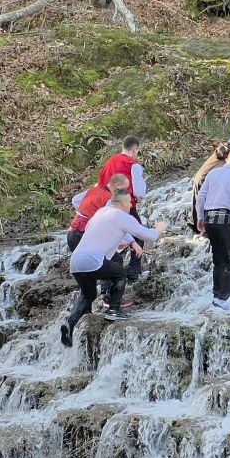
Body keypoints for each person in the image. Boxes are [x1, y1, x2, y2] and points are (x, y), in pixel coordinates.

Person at [60, 190, 166, 346]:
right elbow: (149, 236)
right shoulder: (121, 216)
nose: (131, 205)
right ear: (123, 203)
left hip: (76, 261)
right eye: (129, 202)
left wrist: (123, 241)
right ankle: (114, 310)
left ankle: (70, 323)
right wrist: (159, 228)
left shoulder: (101, 212)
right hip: (92, 260)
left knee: (88, 295)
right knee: (120, 273)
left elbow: (96, 230)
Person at [196, 149, 230, 311]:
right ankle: (222, 299)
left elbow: (201, 196)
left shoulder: (213, 173)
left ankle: (216, 295)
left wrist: (200, 218)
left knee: (219, 260)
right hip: (225, 221)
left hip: (210, 220)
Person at [96, 136, 148, 281]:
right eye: (137, 151)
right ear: (134, 149)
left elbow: (100, 183)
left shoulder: (109, 161)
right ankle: (133, 272)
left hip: (106, 205)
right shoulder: (133, 164)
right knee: (139, 234)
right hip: (124, 205)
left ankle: (108, 272)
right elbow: (139, 192)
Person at [189, 128, 230, 234]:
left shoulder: (227, 147)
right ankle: (206, 230)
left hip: (200, 176)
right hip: (205, 177)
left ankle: (198, 229)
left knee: (199, 201)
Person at [68, 173, 131, 251]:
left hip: (71, 233)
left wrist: (87, 212)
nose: (125, 191)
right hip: (82, 236)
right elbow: (113, 222)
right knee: (115, 260)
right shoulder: (109, 199)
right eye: (124, 188)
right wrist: (130, 241)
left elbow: (75, 200)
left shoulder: (93, 189)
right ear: (117, 186)